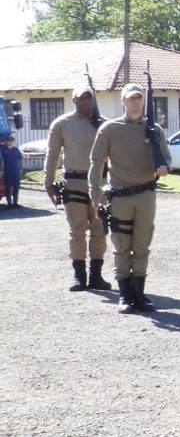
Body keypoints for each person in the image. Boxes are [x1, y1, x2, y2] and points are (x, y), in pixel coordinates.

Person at [89, 83, 171, 313]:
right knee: (121, 246)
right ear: (123, 101)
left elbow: (167, 158)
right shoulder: (109, 129)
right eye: (131, 98)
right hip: (119, 196)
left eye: (139, 98)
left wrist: (164, 167)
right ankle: (125, 295)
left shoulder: (154, 129)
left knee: (142, 245)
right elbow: (97, 162)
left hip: (146, 195)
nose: (136, 101)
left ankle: (140, 294)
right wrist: (95, 192)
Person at [43, 84, 112, 291]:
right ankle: (79, 276)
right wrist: (48, 182)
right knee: (77, 230)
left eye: (90, 98)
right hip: (74, 183)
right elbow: (52, 154)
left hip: (99, 184)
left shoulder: (106, 125)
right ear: (75, 100)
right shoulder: (62, 124)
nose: (87, 101)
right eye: (83, 98)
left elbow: (117, 155)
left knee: (99, 230)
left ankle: (96, 275)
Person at [1, 135, 21, 208]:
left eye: (11, 141)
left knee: (16, 187)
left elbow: (20, 159)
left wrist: (21, 168)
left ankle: (15, 203)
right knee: (8, 188)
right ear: (6, 142)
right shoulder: (3, 150)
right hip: (7, 171)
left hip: (16, 171)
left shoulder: (16, 149)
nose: (10, 143)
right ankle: (9, 204)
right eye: (9, 141)